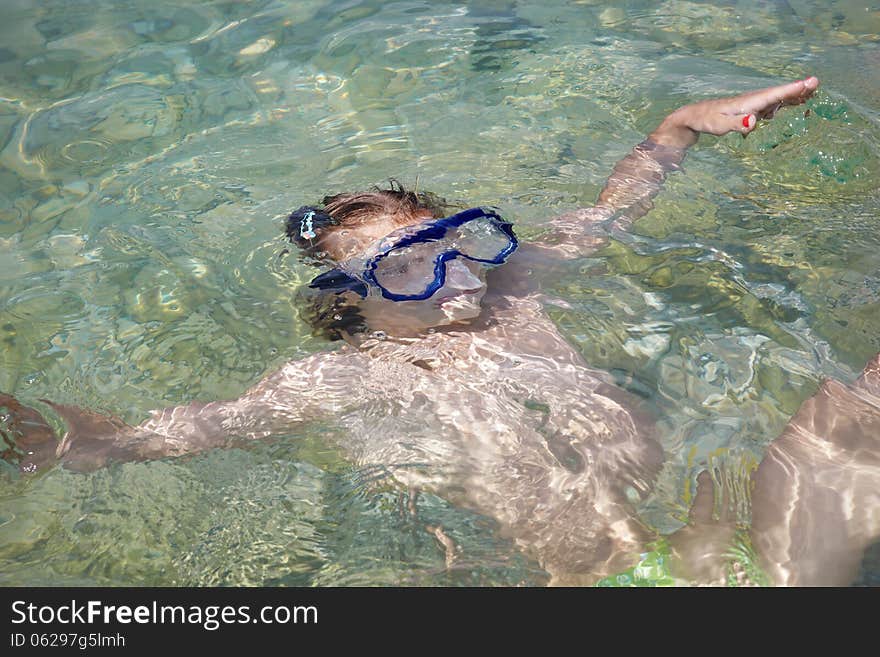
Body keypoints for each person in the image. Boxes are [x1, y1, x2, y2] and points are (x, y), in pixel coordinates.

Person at [3, 76, 878, 585]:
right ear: (353, 297)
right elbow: (180, 431)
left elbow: (621, 203)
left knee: (854, 400)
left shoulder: (520, 285)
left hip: (726, 541)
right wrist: (79, 437)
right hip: (620, 583)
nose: (458, 273)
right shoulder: (345, 380)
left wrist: (680, 125)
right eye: (411, 267)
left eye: (456, 245)